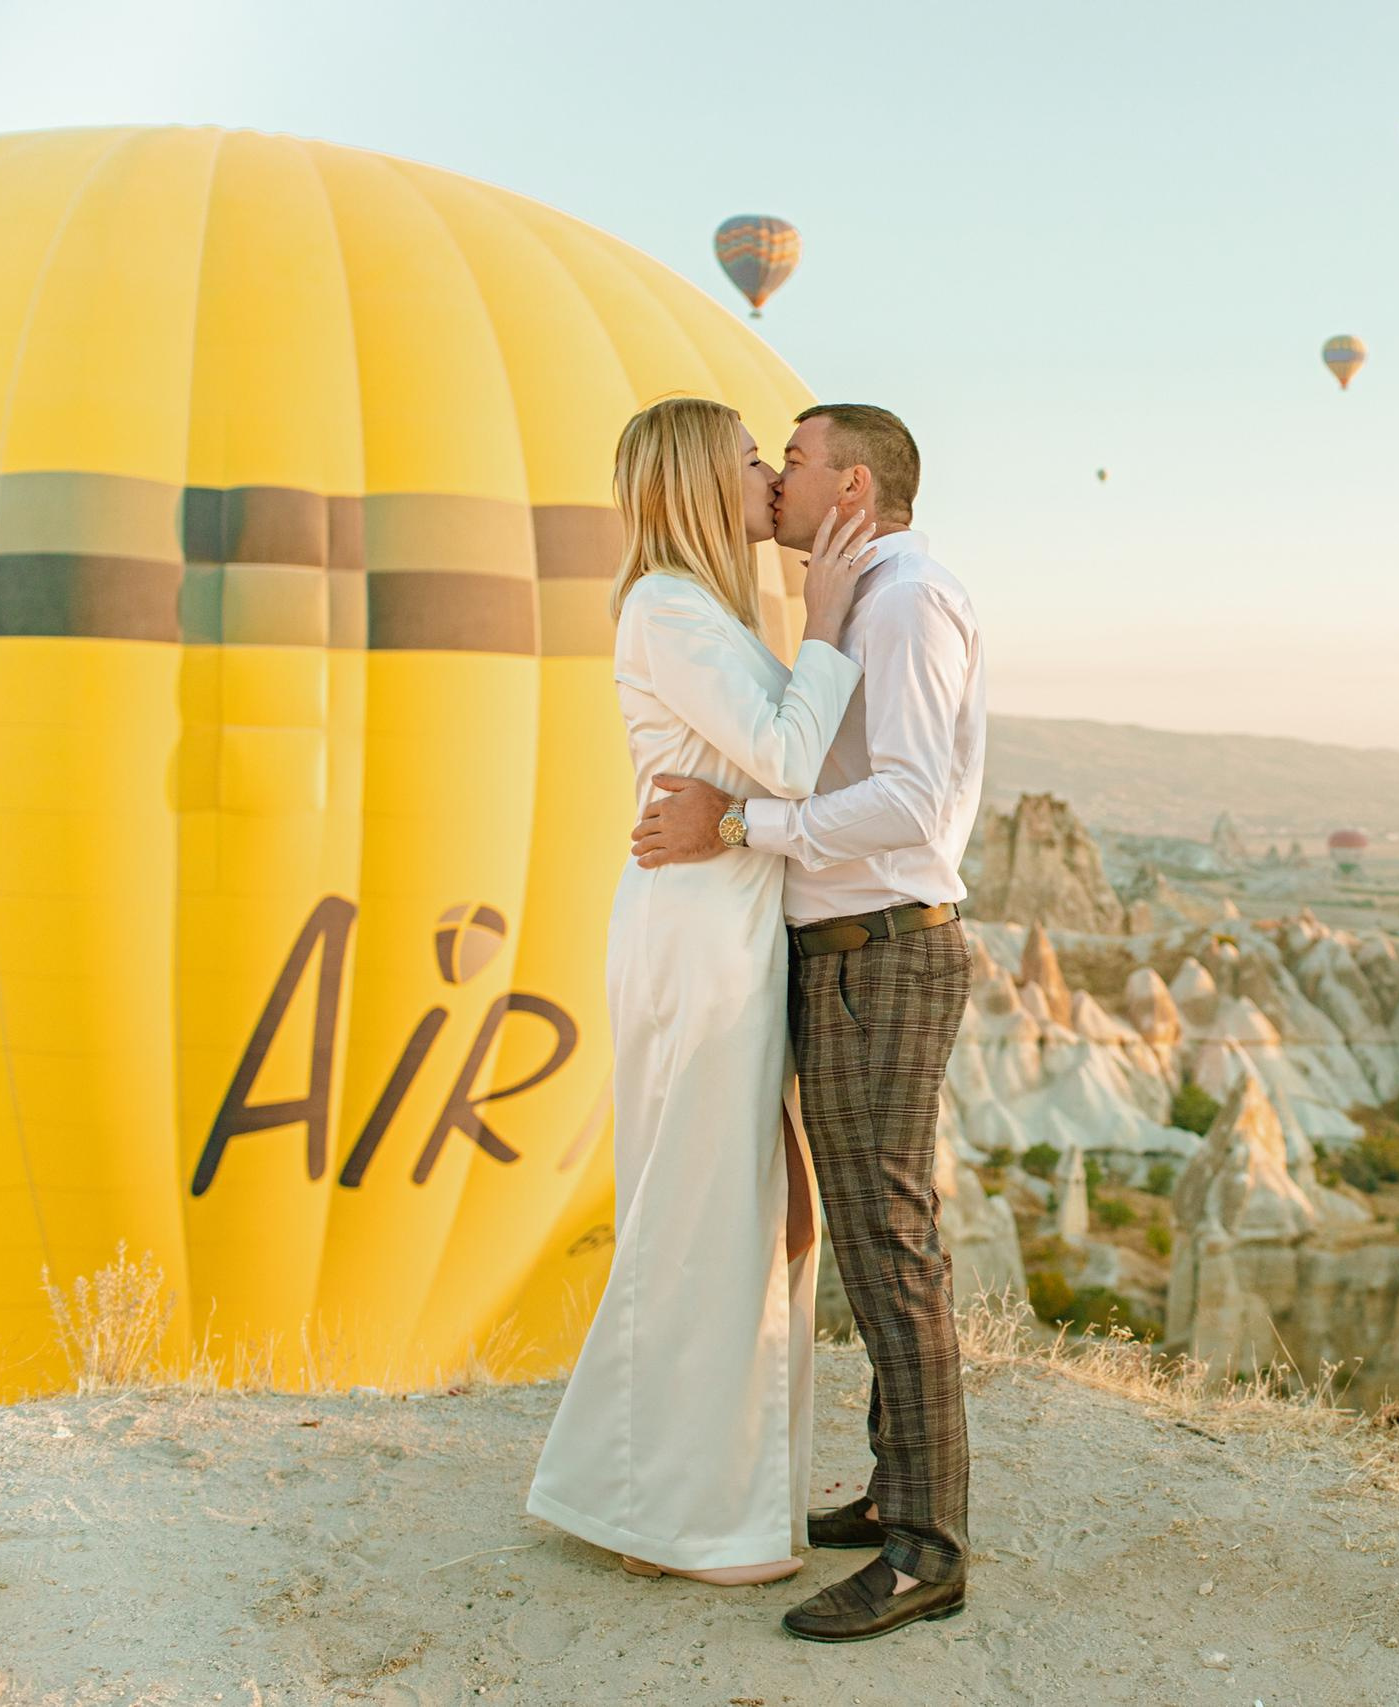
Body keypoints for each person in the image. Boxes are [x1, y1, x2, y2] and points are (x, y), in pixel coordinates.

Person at [630, 402, 986, 1643]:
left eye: (791, 460)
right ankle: (899, 1492)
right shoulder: (857, 601)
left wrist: (735, 829)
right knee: (864, 1228)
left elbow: (911, 803)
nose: (774, 478)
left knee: (889, 1242)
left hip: (881, 956)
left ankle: (924, 1550)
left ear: (852, 487)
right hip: (837, 956)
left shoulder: (898, 600)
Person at [524, 396, 875, 1588]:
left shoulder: (702, 613)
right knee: (709, 1217)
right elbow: (784, 754)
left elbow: (775, 763)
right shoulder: (671, 611)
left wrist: (728, 814)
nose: (767, 476)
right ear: (692, 483)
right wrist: (827, 626)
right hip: (698, 949)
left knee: (768, 1215)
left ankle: (697, 1497)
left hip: (730, 931)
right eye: (744, 461)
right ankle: (678, 1518)